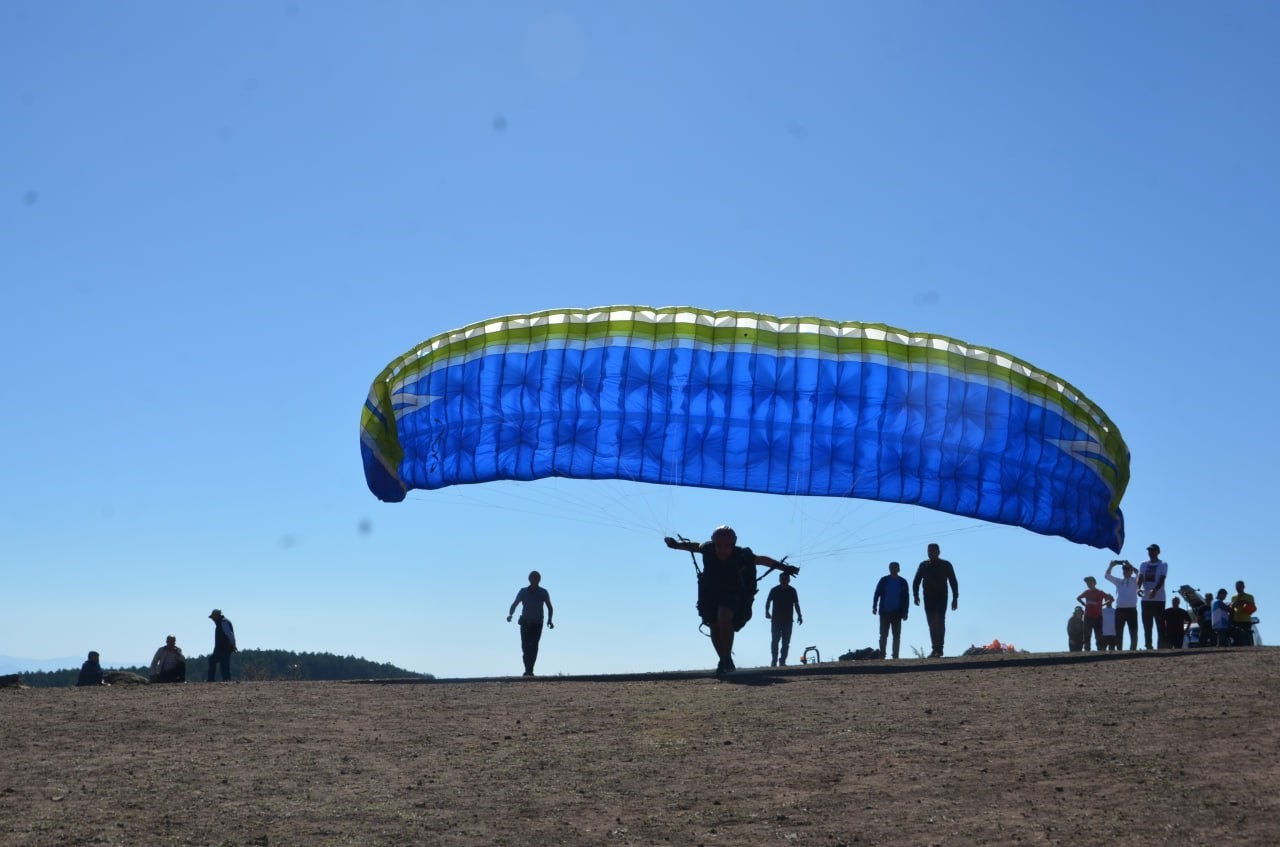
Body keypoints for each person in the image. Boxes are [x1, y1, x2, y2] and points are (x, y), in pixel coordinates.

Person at [664, 526, 787, 674]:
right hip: (710, 593)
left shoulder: (741, 554)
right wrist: (676, 545)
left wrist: (784, 567)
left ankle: (726, 657)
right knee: (714, 624)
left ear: (732, 546)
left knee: (724, 616)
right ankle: (724, 659)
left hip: (732, 592)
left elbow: (761, 560)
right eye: (718, 546)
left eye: (725, 547)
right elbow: (695, 546)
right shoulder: (708, 549)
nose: (721, 550)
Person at [912, 543, 958, 658]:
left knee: (940, 622)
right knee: (932, 624)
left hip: (942, 597)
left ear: (938, 552)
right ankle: (934, 649)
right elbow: (916, 581)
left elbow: (953, 581)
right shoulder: (923, 565)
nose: (931, 553)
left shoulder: (946, 565)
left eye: (933, 550)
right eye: (929, 551)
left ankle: (940, 649)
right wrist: (915, 595)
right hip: (928, 598)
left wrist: (955, 598)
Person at [507, 570, 554, 676]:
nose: (535, 581)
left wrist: (550, 620)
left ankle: (530, 669)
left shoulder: (543, 592)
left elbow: (549, 607)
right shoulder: (523, 591)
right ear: (529, 579)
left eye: (537, 579)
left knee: (534, 646)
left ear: (539, 580)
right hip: (525, 623)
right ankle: (527, 669)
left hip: (537, 624)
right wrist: (510, 614)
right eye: (533, 578)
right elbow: (515, 604)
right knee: (525, 646)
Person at [872, 561, 910, 660]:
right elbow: (877, 593)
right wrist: (874, 606)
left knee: (896, 635)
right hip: (884, 612)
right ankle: (882, 654)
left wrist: (905, 612)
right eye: (891, 567)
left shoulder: (902, 582)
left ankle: (895, 655)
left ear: (898, 569)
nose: (893, 569)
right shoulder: (884, 580)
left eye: (895, 567)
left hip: (897, 612)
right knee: (883, 635)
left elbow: (906, 598)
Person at [765, 572, 803, 667]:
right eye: (782, 579)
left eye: (786, 579)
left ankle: (782, 661)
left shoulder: (792, 590)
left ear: (789, 580)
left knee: (786, 642)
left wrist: (800, 615)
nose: (784, 581)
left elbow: (796, 604)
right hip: (776, 621)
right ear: (779, 580)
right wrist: (767, 611)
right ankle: (774, 660)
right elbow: (768, 601)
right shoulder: (774, 590)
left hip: (788, 621)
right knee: (775, 641)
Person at [1136, 544, 1168, 649]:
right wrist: (1138, 588)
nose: (1151, 552)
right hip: (1146, 599)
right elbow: (1140, 577)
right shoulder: (1143, 564)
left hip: (1159, 599)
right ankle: (1148, 645)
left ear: (1158, 552)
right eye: (1149, 550)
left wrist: (1155, 590)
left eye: (1153, 550)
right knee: (1147, 624)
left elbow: (1162, 579)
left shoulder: (1163, 564)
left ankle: (1162, 646)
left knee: (1160, 624)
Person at [1105, 559, 1140, 650]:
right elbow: (1107, 576)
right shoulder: (1119, 581)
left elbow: (1140, 573)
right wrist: (1111, 566)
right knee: (1119, 631)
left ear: (1131, 571)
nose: (1125, 571)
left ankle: (1133, 650)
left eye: (1127, 570)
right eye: (1124, 570)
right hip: (1120, 609)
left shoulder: (1134, 580)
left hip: (1131, 609)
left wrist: (1130, 565)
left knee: (1133, 631)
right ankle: (1119, 650)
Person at [1076, 576, 1113, 652]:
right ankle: (1087, 650)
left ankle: (1100, 650)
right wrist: (1084, 604)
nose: (1088, 584)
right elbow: (1078, 598)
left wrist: (1103, 604)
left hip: (1098, 617)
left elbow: (1112, 599)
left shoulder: (1100, 592)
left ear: (1095, 583)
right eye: (1087, 583)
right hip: (1088, 616)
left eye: (1090, 582)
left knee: (1099, 635)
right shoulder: (1086, 592)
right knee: (1087, 635)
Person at [207, 609, 237, 682]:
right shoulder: (222, 622)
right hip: (221, 648)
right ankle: (221, 679)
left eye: (213, 617)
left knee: (223, 664)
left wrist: (233, 644)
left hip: (224, 648)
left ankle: (225, 679)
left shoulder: (223, 622)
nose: (212, 619)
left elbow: (230, 635)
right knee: (217, 662)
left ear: (217, 616)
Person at [1230, 581, 1257, 647]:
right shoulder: (1233, 598)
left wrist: (1245, 603)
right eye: (1236, 587)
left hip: (1246, 620)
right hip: (1236, 620)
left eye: (1239, 587)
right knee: (1237, 637)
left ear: (1243, 587)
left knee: (1247, 636)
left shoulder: (1249, 597)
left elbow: (1253, 608)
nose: (1238, 588)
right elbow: (1232, 608)